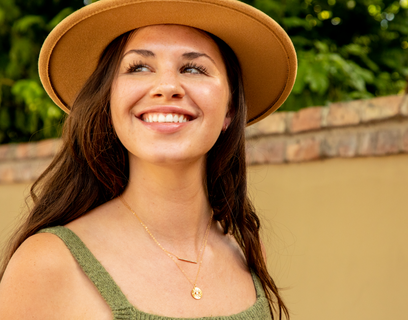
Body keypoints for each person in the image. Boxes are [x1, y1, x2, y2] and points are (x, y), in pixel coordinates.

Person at [0, 0, 296, 319]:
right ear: (108, 102)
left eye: (193, 68)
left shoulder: (247, 254)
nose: (166, 87)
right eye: (139, 67)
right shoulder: (48, 263)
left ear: (230, 109)